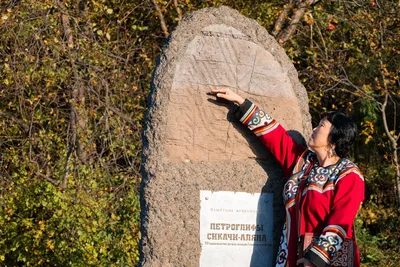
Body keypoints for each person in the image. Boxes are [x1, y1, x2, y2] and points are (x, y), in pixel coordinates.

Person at [208, 88, 364, 267]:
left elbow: (341, 221)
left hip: (323, 262)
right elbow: (275, 136)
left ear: (335, 138)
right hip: (290, 257)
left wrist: (315, 260)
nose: (314, 128)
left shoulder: (349, 175)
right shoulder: (302, 162)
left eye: (321, 125)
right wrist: (241, 102)